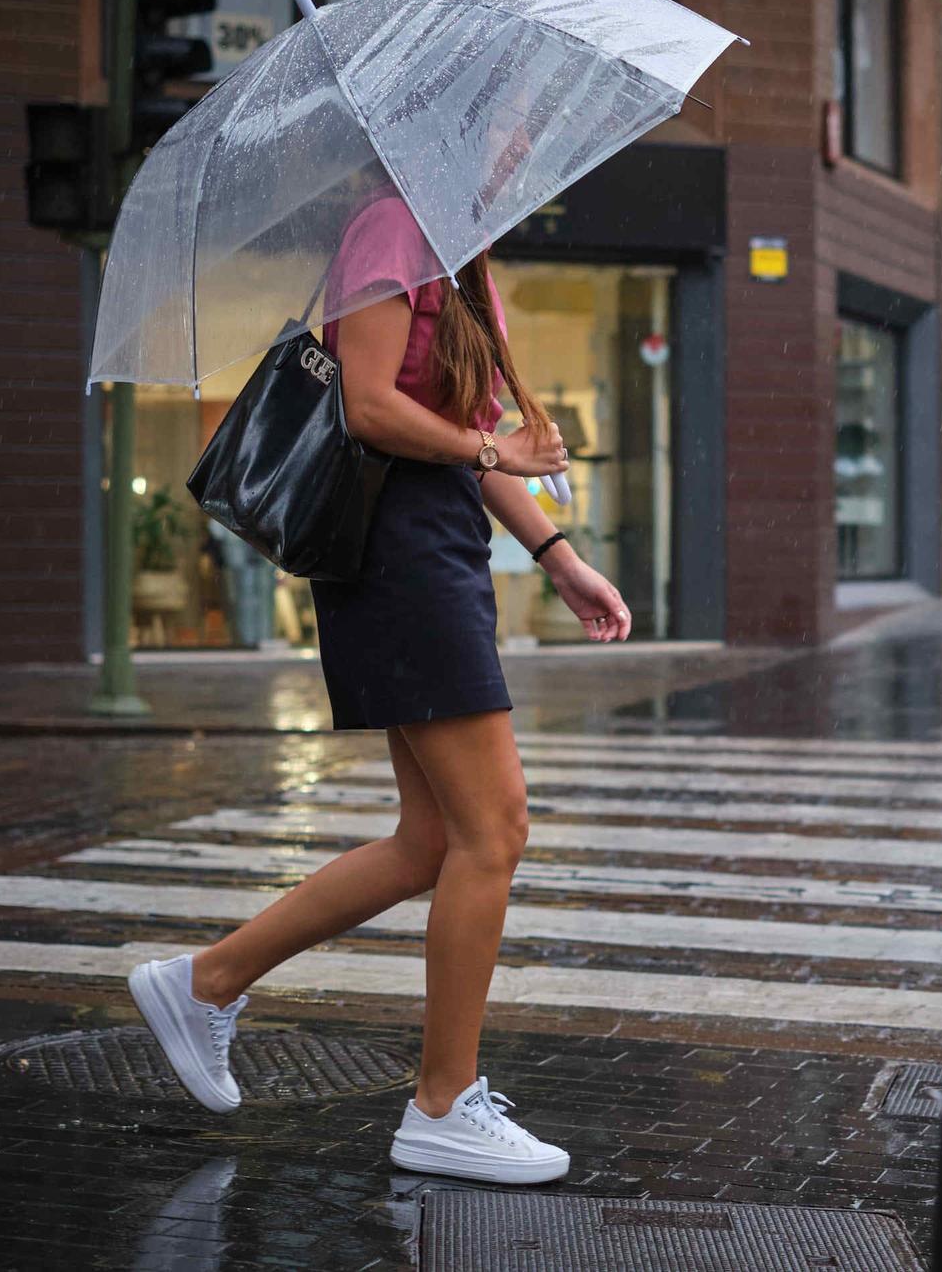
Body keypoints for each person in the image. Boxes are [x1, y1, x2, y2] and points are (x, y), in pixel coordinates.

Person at [128, 193, 633, 1186]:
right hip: (394, 555)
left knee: (432, 840)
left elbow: (472, 438)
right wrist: (494, 447)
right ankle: (442, 1103)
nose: (521, 146)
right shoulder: (389, 229)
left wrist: (559, 553)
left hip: (440, 548)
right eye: (508, 122)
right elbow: (365, 404)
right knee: (496, 829)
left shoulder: (458, 252)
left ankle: (206, 982)